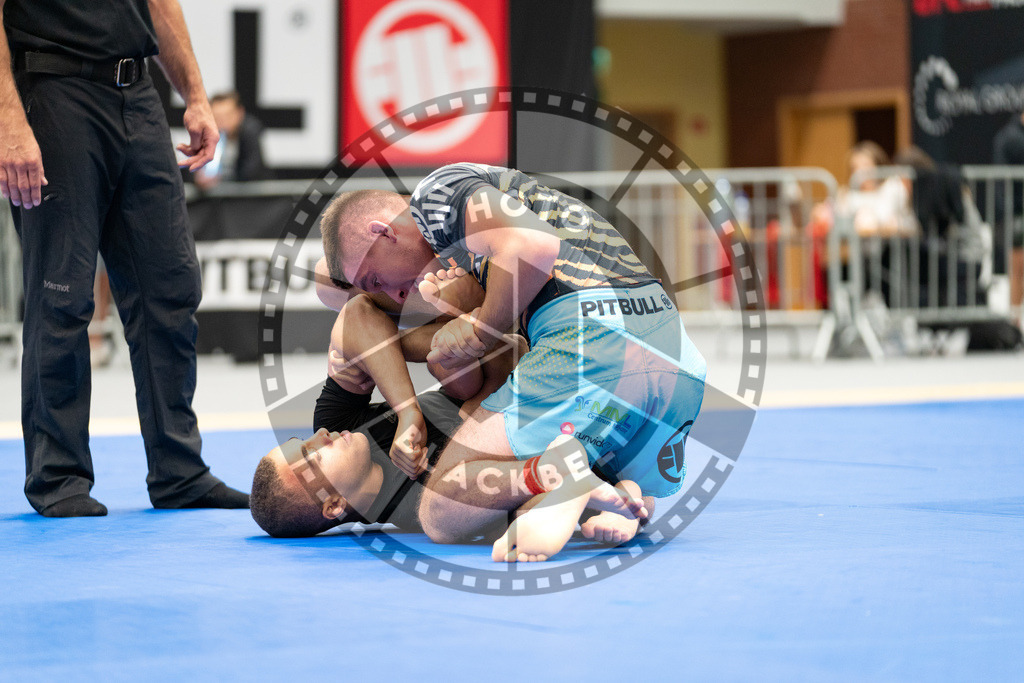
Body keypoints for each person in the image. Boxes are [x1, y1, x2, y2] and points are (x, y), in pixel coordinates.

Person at [320, 163, 705, 560]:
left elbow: (532, 244)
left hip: (593, 341)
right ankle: (619, 494)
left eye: (375, 280)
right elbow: (333, 277)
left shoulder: (435, 195)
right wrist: (469, 310)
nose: (394, 296)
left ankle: (562, 475)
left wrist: (481, 330)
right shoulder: (482, 231)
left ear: (382, 231)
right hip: (675, 358)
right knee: (620, 476)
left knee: (441, 511)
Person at [0, 0, 248, 516]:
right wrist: (8, 122)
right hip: (52, 87)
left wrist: (196, 96)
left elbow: (158, 2)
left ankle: (179, 471)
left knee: (171, 288)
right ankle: (59, 478)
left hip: (137, 95)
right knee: (62, 294)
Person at [252, 289, 647, 552]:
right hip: (547, 418)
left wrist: (407, 409)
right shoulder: (418, 510)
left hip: (509, 363)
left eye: (303, 438)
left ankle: (613, 494)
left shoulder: (340, 423)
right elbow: (523, 503)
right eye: (311, 455)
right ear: (335, 504)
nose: (319, 435)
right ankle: (620, 496)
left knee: (445, 361)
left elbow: (357, 313)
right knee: (503, 502)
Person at [192, 90, 269, 190]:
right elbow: (193, 166)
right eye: (216, 116)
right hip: (212, 199)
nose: (222, 121)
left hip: (247, 198)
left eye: (227, 115)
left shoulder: (251, 132)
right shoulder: (205, 134)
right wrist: (197, 176)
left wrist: (220, 179)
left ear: (240, 112)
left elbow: (252, 171)